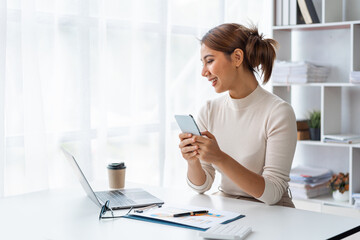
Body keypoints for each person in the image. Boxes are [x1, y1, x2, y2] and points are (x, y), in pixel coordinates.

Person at [178, 23, 297, 207]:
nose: (203, 72)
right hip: (228, 210)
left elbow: (273, 193)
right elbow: (202, 186)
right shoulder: (209, 110)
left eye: (209, 61)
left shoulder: (278, 112)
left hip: (272, 215)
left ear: (237, 57)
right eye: (202, 63)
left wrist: (220, 157)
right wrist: (192, 161)